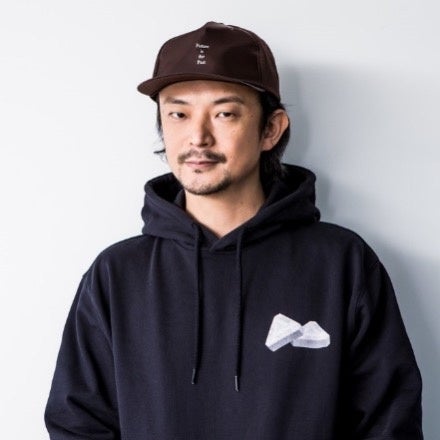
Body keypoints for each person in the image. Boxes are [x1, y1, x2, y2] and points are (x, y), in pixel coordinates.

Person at [45, 21, 423, 439]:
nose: (198, 137)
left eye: (224, 113)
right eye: (178, 113)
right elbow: (78, 424)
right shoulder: (117, 274)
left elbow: (390, 423)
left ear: (271, 129)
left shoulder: (341, 264)